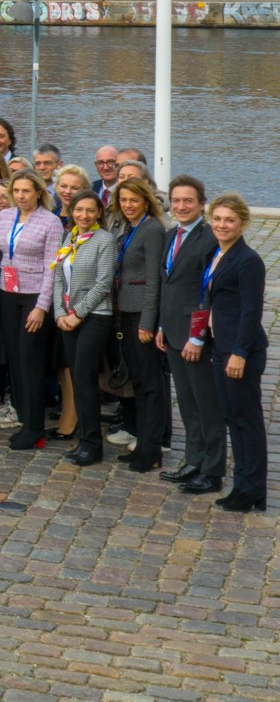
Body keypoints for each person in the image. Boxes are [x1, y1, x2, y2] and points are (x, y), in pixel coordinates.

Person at [155, 176, 225, 495]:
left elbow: (207, 291)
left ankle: (212, 472)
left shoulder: (210, 238)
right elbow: (167, 286)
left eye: (188, 201)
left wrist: (198, 337)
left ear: (201, 204)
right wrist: (161, 326)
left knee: (205, 403)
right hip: (171, 331)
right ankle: (193, 460)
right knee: (186, 400)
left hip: (195, 336)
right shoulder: (171, 235)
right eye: (177, 200)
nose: (181, 206)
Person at [202, 193, 268, 512]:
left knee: (246, 420)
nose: (222, 225)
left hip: (240, 351)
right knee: (232, 417)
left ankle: (252, 488)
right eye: (217, 219)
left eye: (229, 220)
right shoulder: (219, 253)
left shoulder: (248, 260)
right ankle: (243, 484)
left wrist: (240, 353)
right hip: (221, 345)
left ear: (242, 222)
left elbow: (250, 312)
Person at [0, 171, 64, 450]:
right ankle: (25, 420)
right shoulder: (5, 216)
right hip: (7, 293)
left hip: (34, 296)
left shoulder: (51, 222)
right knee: (14, 360)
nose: (22, 196)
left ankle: (36, 427)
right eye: (17, 191)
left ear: (38, 192)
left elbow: (53, 267)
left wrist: (41, 307)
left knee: (31, 360)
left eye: (27, 191)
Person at [51, 192, 117, 466]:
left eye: (91, 211)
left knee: (85, 378)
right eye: (79, 210)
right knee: (77, 379)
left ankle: (92, 444)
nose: (84, 216)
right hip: (67, 318)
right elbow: (57, 277)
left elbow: (104, 283)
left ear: (99, 213)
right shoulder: (70, 237)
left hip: (94, 317)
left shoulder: (104, 240)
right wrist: (58, 313)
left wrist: (77, 314)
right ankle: (84, 438)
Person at [110, 177, 168, 472]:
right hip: (125, 312)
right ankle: (143, 444)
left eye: (134, 200)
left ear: (145, 201)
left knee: (150, 385)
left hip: (141, 317)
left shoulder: (153, 230)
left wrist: (147, 323)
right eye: (123, 200)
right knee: (139, 383)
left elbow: (154, 281)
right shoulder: (129, 228)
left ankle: (152, 449)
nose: (128, 205)